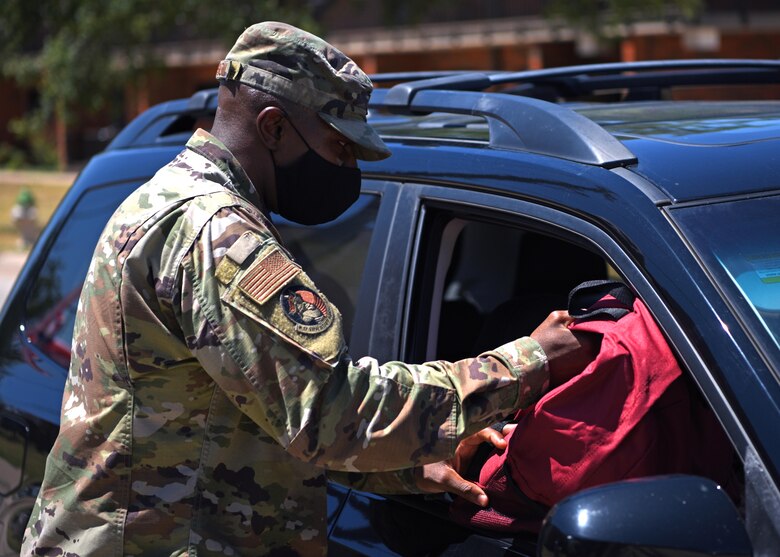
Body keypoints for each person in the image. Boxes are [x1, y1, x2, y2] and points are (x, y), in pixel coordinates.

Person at [21, 21, 594, 556]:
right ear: (273, 127)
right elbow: (325, 410)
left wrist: (408, 467)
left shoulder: (175, 200)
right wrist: (525, 364)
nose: (347, 167)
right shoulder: (216, 233)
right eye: (339, 147)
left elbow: (245, 409)